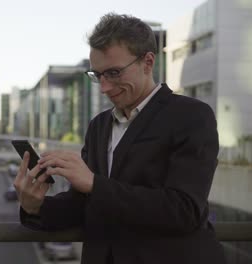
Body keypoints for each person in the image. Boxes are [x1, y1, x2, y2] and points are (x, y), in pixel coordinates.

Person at [13, 13, 226, 264]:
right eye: (97, 75)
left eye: (114, 73)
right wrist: (35, 205)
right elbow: (84, 205)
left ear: (148, 62)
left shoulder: (192, 116)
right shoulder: (99, 126)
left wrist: (94, 183)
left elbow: (184, 210)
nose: (104, 87)